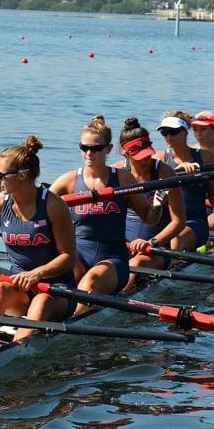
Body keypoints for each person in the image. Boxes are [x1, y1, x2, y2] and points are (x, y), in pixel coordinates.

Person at [0, 136, 77, 342]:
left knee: (41, 302)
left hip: (56, 292)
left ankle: (16, 350)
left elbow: (68, 257)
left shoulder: (53, 206)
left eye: (1, 175)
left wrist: (37, 274)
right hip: (20, 288)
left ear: (23, 175)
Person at [50, 115, 159, 299]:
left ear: (108, 149)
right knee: (57, 281)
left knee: (90, 281)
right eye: (84, 148)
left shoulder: (123, 179)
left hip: (113, 260)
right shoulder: (68, 181)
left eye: (96, 149)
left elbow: (150, 218)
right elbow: (39, 207)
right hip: (77, 257)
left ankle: (72, 317)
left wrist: (157, 206)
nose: (89, 154)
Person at [114, 117, 186, 288]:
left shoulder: (164, 172)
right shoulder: (117, 173)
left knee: (134, 265)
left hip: (155, 249)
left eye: (147, 154)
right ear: (125, 153)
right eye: (139, 156)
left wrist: (151, 243)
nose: (145, 160)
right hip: (123, 245)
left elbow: (179, 221)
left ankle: (117, 301)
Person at [155, 111, 214, 250]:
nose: (168, 136)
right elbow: (155, 196)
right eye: (164, 132)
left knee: (176, 241)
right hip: (167, 222)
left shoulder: (205, 157)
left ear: (185, 132)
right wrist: (178, 171)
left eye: (173, 132)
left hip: (194, 221)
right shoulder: (160, 158)